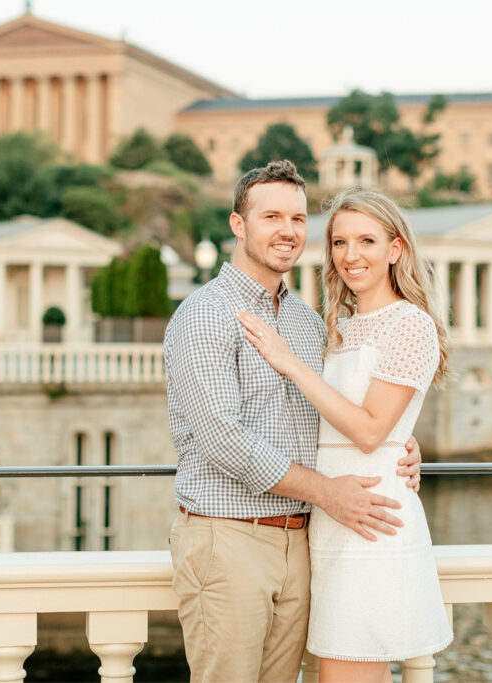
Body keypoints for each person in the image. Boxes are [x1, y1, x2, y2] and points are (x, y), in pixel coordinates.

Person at [164, 160, 423, 682]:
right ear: (239, 225)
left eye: (299, 219)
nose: (287, 231)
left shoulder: (309, 323)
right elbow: (224, 439)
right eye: (271, 216)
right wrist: (330, 492)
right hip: (228, 538)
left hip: (305, 541)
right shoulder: (205, 314)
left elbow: (337, 413)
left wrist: (400, 442)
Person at [236, 188, 453, 681]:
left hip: (370, 521)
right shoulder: (338, 326)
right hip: (329, 519)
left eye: (367, 241)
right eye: (339, 242)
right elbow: (338, 419)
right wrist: (406, 439)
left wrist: (289, 363)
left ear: (395, 250)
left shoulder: (411, 324)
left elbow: (372, 430)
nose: (351, 255)